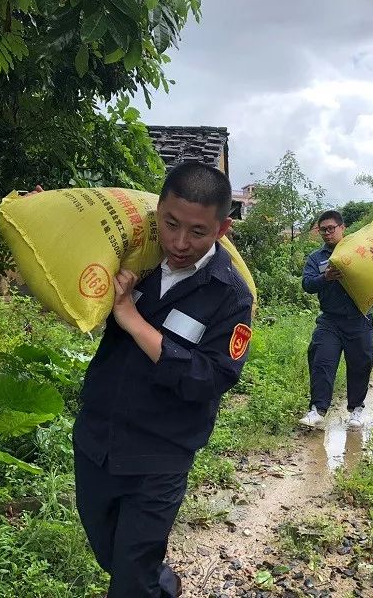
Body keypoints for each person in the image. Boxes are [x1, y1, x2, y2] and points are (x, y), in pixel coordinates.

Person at [67, 162, 254, 597]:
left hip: (159, 458)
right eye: (170, 224)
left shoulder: (230, 295)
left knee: (130, 579)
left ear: (222, 228)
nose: (180, 242)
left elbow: (207, 380)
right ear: (158, 211)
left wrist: (133, 320)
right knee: (113, 555)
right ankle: (162, 585)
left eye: (197, 232)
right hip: (97, 440)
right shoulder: (139, 259)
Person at [299, 210, 373, 429]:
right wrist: (325, 277)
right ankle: (317, 409)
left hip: (360, 319)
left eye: (331, 228)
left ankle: (356, 410)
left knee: (361, 365)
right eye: (322, 230)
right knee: (321, 362)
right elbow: (307, 284)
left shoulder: (363, 251)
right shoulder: (317, 258)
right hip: (330, 321)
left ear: (343, 228)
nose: (327, 233)